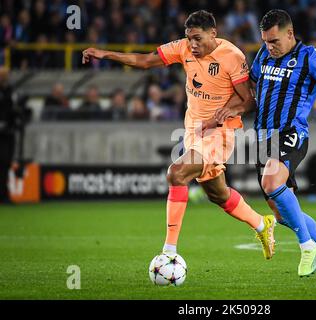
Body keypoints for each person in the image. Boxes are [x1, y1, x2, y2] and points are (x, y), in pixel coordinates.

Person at [82, 10, 275, 259]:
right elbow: (144, 61)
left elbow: (250, 101)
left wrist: (225, 112)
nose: (192, 44)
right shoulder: (182, 48)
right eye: (189, 38)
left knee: (177, 173)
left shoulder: (232, 56)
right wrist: (105, 53)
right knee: (218, 194)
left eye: (197, 38)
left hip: (221, 132)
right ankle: (262, 224)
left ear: (213, 34)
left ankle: (169, 252)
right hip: (193, 130)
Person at [208, 10, 316, 281]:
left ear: (290, 34)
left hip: (292, 133)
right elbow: (251, 98)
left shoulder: (309, 58)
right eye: (266, 42)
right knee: (283, 215)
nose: (270, 47)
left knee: (271, 181)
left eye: (275, 41)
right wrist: (226, 110)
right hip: (262, 140)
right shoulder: (263, 55)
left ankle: (307, 248)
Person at [0, 67, 14, 203]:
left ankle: (4, 194)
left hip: (8, 133)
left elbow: (11, 110)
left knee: (6, 163)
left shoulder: (9, 90)